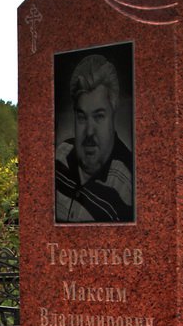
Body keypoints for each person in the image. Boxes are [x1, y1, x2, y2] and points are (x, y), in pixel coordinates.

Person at [55, 54, 134, 223]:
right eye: (82, 117)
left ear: (113, 114)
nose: (89, 131)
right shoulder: (60, 155)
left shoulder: (129, 181)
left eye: (99, 116)